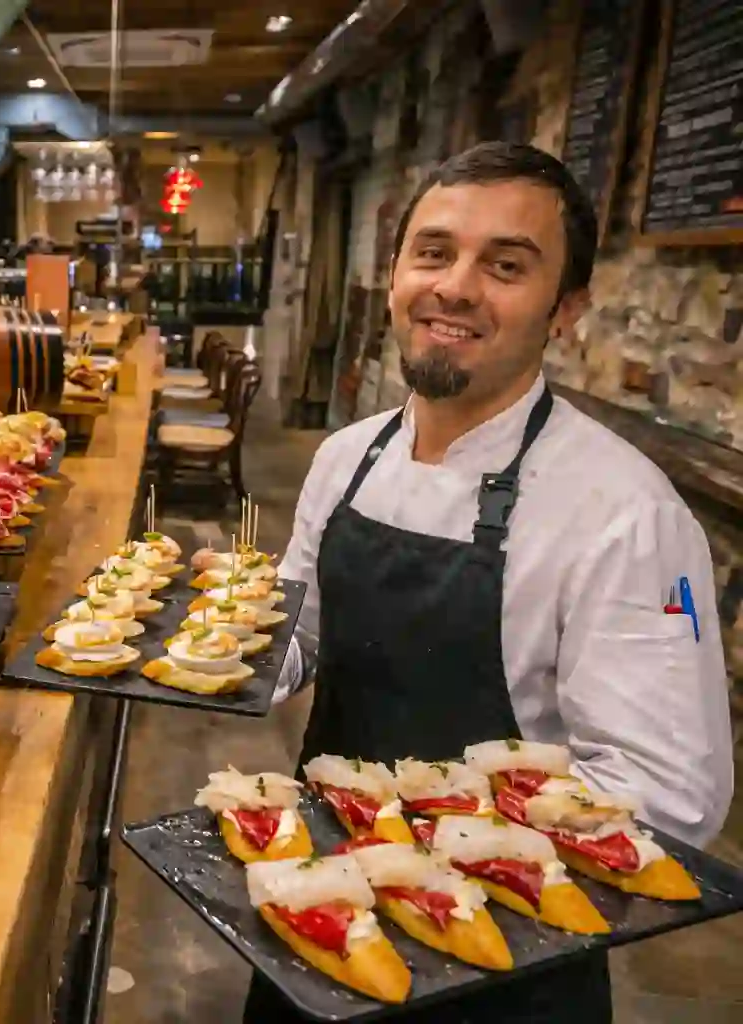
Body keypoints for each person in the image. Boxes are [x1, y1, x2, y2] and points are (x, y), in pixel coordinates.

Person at [247, 142, 732, 1022]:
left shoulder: (625, 513)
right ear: (395, 274)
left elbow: (668, 796)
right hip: (318, 921)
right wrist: (217, 638)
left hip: (503, 955)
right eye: (433, 253)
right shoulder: (344, 459)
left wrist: (428, 846)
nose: (457, 287)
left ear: (566, 310)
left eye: (506, 266)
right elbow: (300, 638)